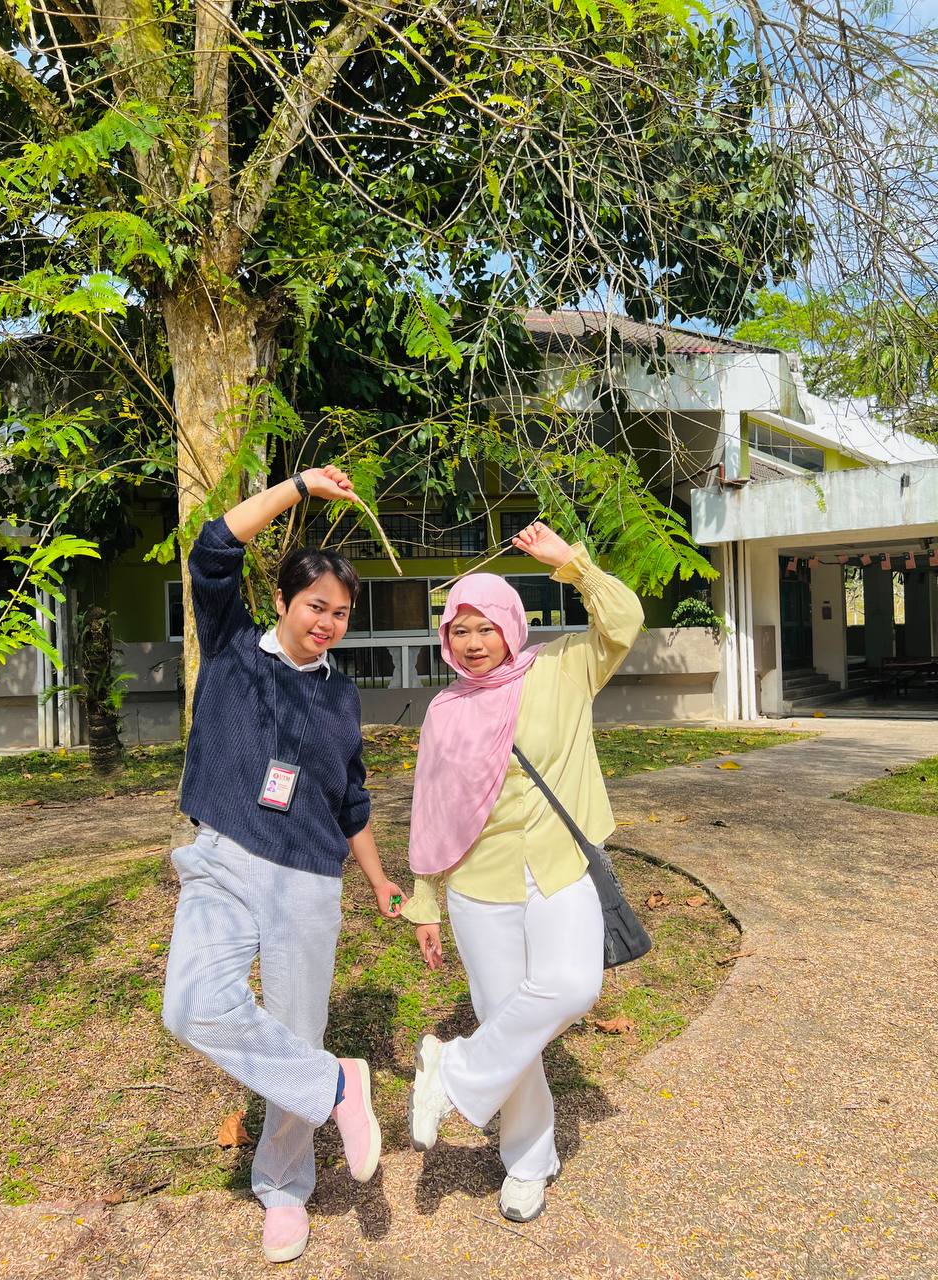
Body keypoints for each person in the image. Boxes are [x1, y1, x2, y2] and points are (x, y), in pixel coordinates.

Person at [161, 465, 404, 1265]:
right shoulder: (233, 644)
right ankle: (337, 1086)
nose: (327, 622)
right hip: (225, 855)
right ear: (282, 601)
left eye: (341, 612)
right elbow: (213, 546)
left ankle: (285, 1188)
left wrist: (378, 877)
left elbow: (350, 799)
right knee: (192, 1005)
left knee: (298, 1030)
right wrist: (299, 488)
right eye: (315, 606)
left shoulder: (341, 696)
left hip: (307, 876)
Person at [402, 521, 643, 1223]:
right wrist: (425, 900)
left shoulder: (562, 669)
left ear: (511, 625)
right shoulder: (445, 711)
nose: (473, 642)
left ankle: (455, 1071)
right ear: (446, 638)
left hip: (559, 866)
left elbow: (624, 620)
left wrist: (572, 563)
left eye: (485, 627)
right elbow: (430, 807)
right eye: (459, 631)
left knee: (573, 985)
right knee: (511, 1027)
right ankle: (528, 1163)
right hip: (478, 884)